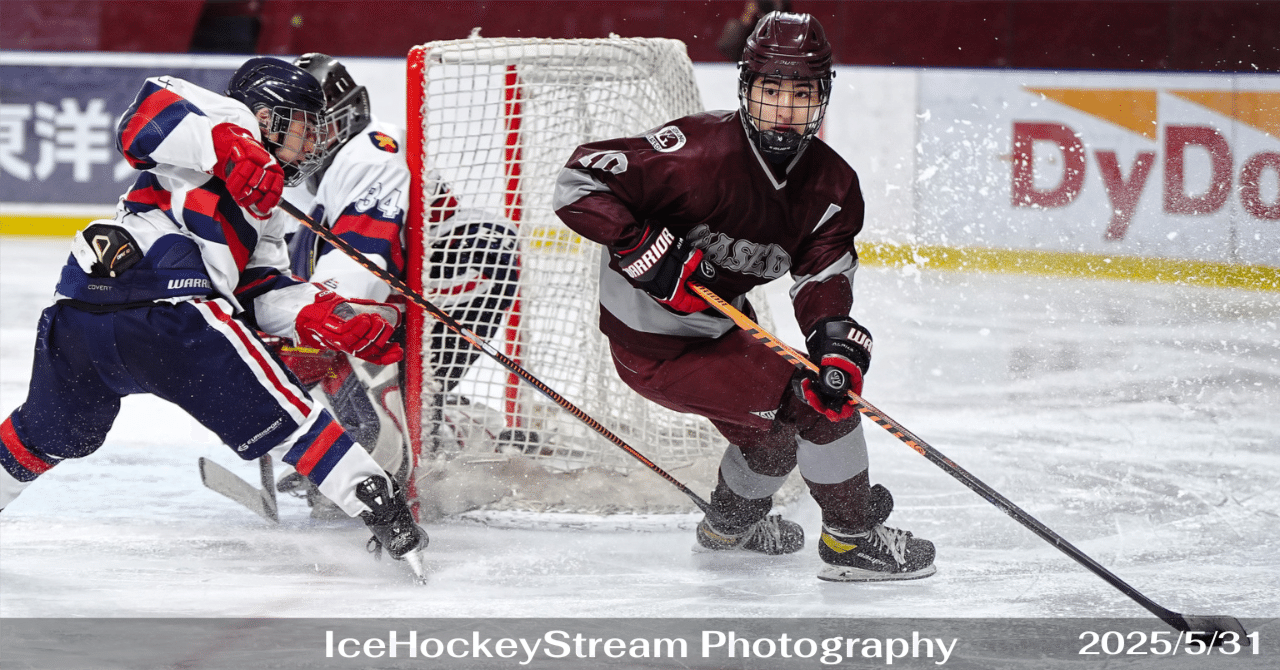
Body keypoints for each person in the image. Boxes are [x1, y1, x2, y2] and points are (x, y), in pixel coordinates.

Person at [0, 57, 427, 577]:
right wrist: (230, 146)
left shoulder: (268, 211)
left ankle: (377, 505)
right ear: (267, 117)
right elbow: (141, 120)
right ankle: (382, 508)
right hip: (169, 317)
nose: (311, 143)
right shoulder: (224, 114)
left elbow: (258, 291)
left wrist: (320, 315)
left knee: (50, 433)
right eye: (301, 126)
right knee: (288, 419)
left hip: (89, 313)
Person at [553, 12, 935, 582]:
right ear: (745, 88)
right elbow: (578, 181)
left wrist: (831, 336)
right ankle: (852, 539)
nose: (784, 109)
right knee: (816, 405)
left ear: (823, 96)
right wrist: (640, 246)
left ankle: (730, 527)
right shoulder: (693, 154)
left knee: (779, 433)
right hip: (652, 346)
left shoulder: (832, 186)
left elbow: (821, 273)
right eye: (770, 88)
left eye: (801, 92)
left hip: (717, 330)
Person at [274, 53, 520, 517]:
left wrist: (310, 327)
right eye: (295, 129)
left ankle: (406, 432)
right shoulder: (318, 171)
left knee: (335, 337)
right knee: (308, 322)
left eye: (311, 127)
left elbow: (362, 262)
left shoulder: (369, 151)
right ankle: (438, 425)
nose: (302, 141)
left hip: (453, 284)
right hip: (408, 293)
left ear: (342, 114)